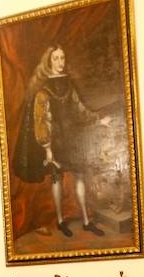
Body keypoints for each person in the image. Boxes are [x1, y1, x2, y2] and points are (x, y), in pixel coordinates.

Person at [12, 45, 113, 238]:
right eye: (56, 58)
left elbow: (79, 108)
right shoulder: (43, 89)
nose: (60, 62)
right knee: (56, 179)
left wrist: (99, 120)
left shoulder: (68, 83)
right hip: (55, 141)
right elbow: (41, 122)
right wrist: (47, 149)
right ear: (49, 61)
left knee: (80, 177)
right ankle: (60, 221)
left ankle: (86, 221)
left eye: (62, 58)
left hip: (72, 139)